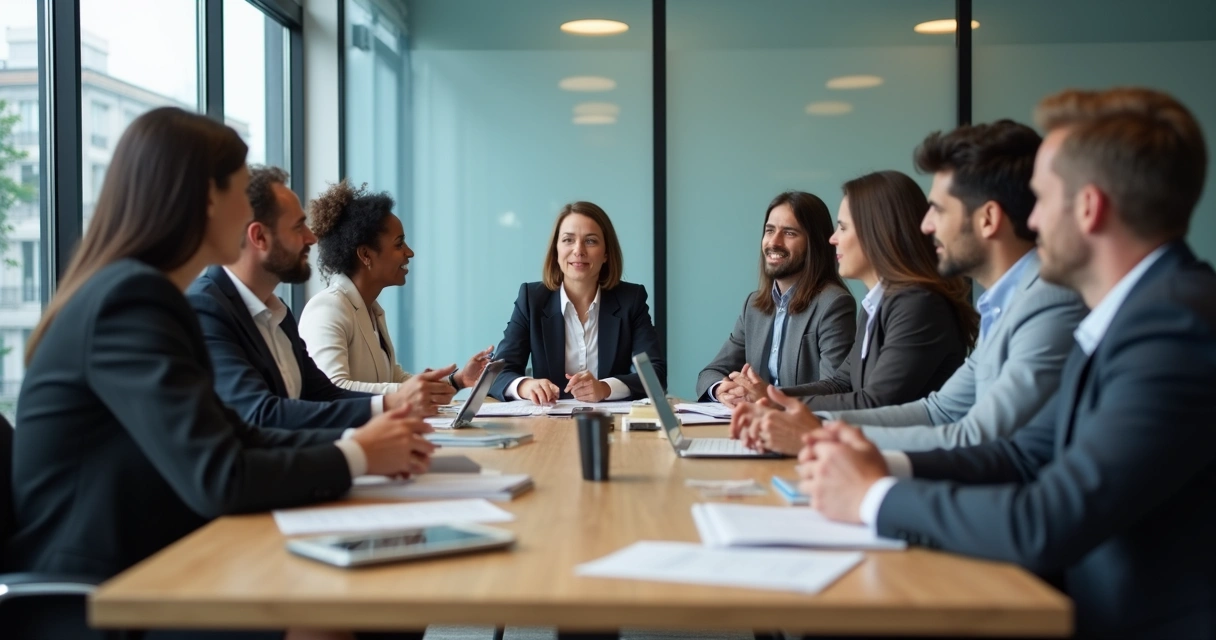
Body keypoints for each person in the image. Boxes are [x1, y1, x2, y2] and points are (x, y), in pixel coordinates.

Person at [796, 87, 1216, 638]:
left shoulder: (1173, 327)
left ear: (1089, 208)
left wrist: (874, 496)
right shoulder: (1130, 313)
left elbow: (1049, 519)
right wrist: (874, 463)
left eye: (1041, 200)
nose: (1032, 221)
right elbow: (1022, 453)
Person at [4, 107, 433, 640]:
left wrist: (363, 445)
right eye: (238, 186)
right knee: (334, 619)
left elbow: (237, 434)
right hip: (105, 595)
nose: (247, 201)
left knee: (381, 595)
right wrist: (359, 454)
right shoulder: (130, 301)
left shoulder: (148, 296)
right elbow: (221, 475)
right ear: (208, 198)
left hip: (162, 561)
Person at [733, 121, 1087, 455]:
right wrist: (787, 411)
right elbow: (939, 410)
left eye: (939, 210)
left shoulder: (1043, 302)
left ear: (988, 219)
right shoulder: (1002, 304)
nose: (927, 225)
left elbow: (977, 437)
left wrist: (811, 432)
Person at [187, 167, 453, 433]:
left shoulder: (278, 313)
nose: (312, 237)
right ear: (259, 237)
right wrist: (362, 446)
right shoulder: (207, 308)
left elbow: (324, 392)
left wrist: (396, 402)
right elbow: (261, 413)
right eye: (297, 227)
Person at [732, 171, 977, 413]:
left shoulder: (919, 305)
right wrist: (769, 394)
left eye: (842, 227)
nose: (832, 239)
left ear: (878, 233)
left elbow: (875, 403)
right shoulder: (878, 304)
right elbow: (841, 384)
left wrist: (775, 402)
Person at [298, 180, 492, 396]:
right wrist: (409, 394)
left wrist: (457, 380)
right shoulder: (328, 309)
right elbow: (334, 388)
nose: (409, 253)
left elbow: (393, 378)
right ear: (365, 255)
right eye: (399, 244)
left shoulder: (372, 309)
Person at [488, 201, 665, 403]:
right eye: (568, 240)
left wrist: (605, 388)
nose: (578, 250)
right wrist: (526, 386)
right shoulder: (531, 299)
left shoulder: (631, 300)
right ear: (556, 250)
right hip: (547, 423)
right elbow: (496, 374)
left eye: (590, 241)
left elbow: (655, 376)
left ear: (606, 253)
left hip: (611, 425)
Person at [695, 191, 856, 406]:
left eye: (789, 233)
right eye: (769, 230)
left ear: (814, 243)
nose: (774, 242)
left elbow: (837, 386)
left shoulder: (833, 303)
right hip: (756, 428)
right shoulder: (753, 306)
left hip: (804, 431)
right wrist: (722, 390)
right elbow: (711, 372)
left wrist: (767, 395)